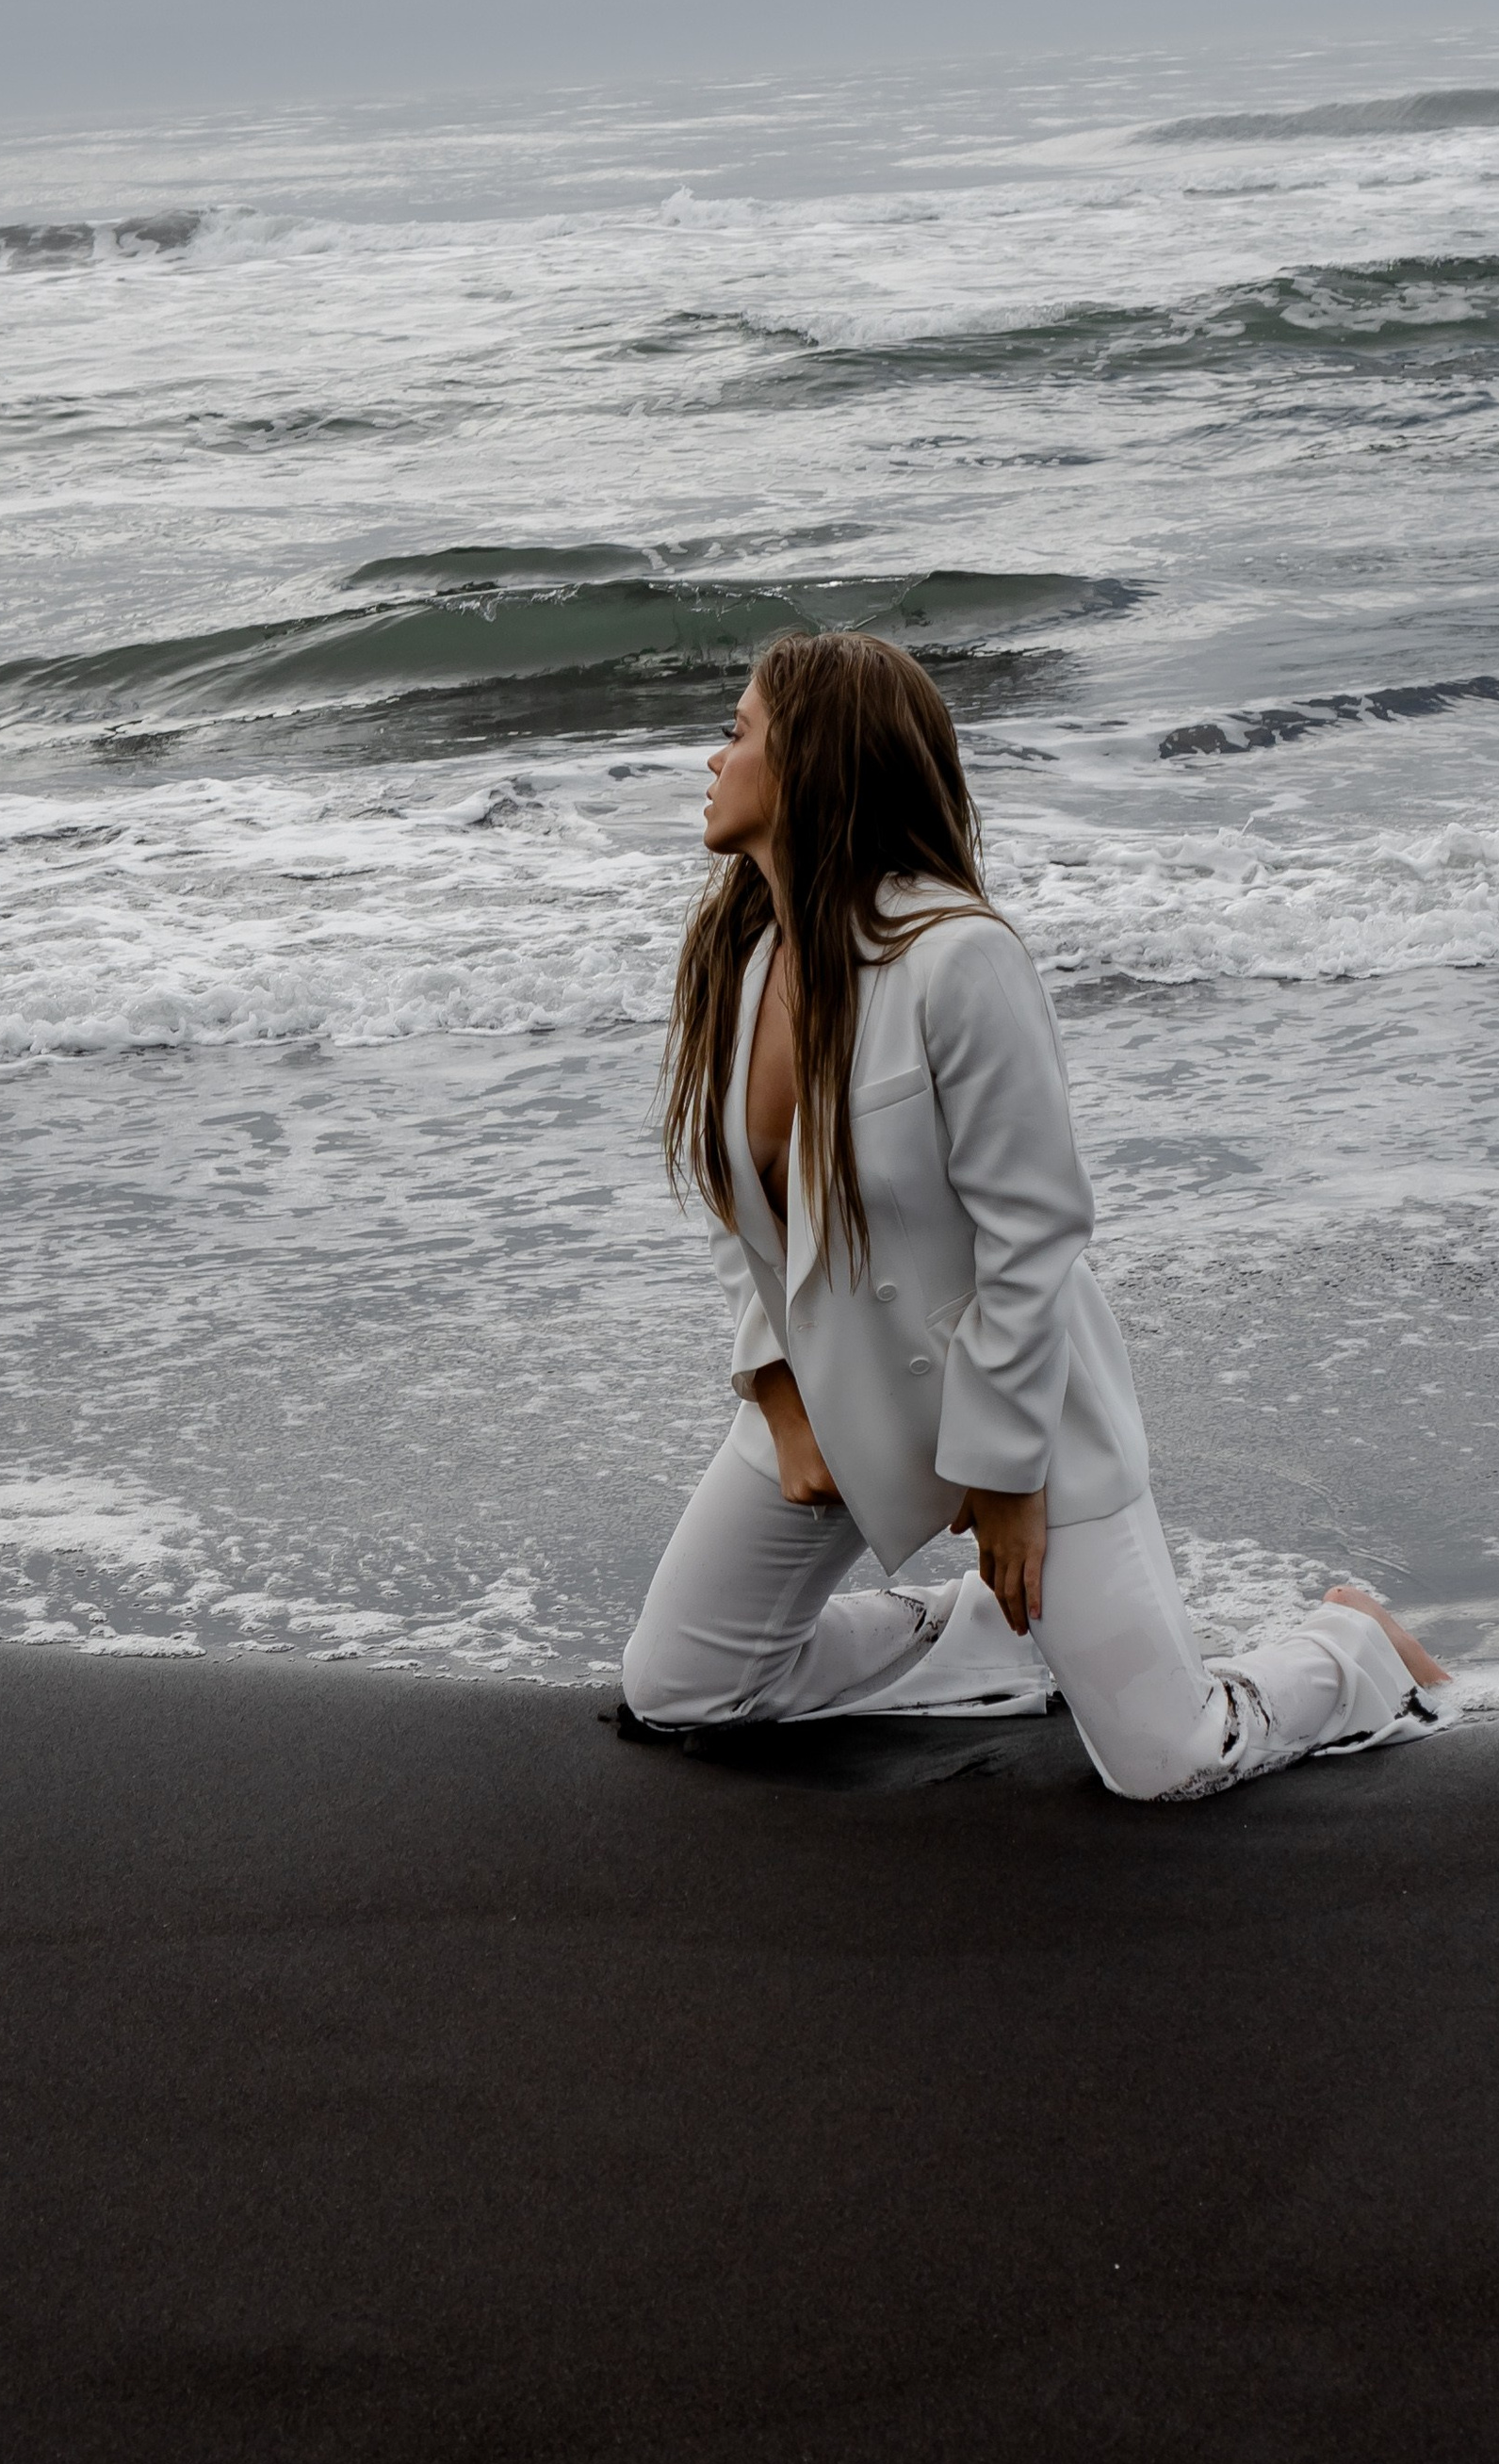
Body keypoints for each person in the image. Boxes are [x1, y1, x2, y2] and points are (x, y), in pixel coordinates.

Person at [619, 630, 1449, 1800]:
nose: (713, 759)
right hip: (830, 1391)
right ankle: (987, 1637)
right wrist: (776, 1391)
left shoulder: (958, 958)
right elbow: (733, 1206)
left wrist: (1002, 1479)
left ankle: (1351, 1646)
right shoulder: (736, 957)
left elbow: (1035, 1236)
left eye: (737, 732)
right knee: (682, 1691)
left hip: (1018, 1407)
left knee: (1168, 1762)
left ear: (810, 763)